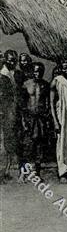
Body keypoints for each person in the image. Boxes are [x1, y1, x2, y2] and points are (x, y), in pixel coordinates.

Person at [21, 62, 50, 176]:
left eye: (39, 71)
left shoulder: (45, 85)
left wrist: (47, 117)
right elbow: (22, 104)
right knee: (28, 145)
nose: (37, 73)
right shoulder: (26, 84)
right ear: (32, 71)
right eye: (35, 71)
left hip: (41, 118)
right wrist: (24, 120)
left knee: (39, 144)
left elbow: (47, 102)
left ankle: (37, 172)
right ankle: (24, 172)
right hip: (29, 117)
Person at [0, 50, 18, 182]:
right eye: (10, 60)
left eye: (14, 60)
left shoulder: (9, 74)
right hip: (4, 112)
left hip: (7, 112)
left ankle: (5, 170)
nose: (12, 62)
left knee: (7, 141)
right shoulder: (3, 75)